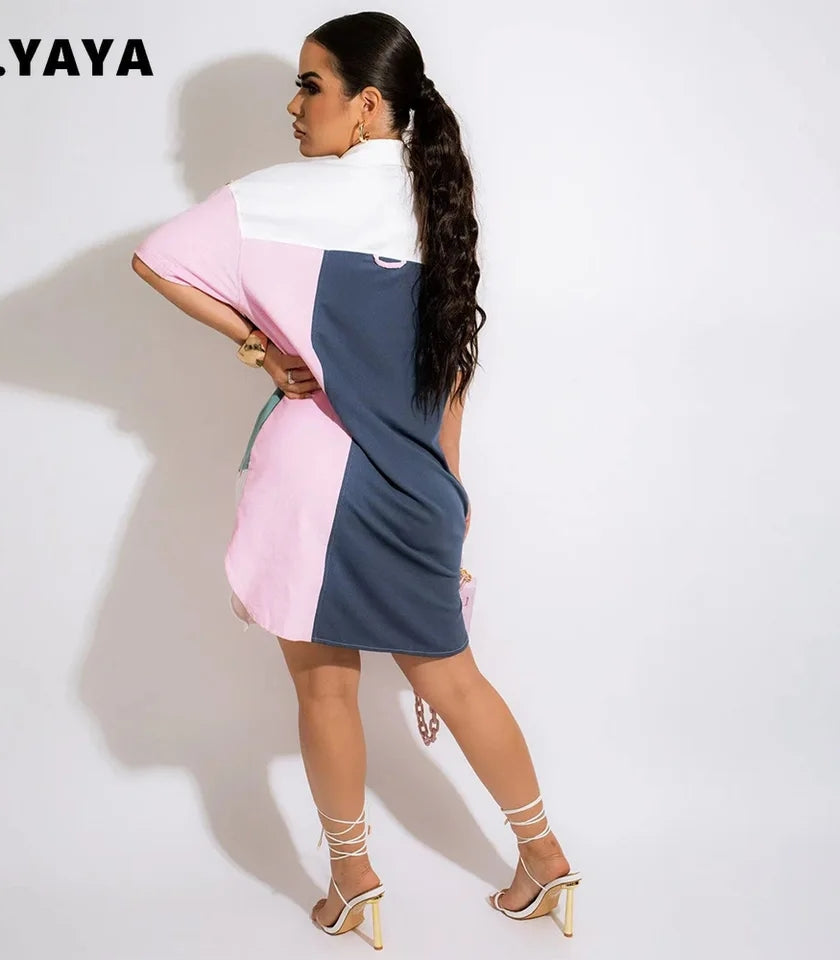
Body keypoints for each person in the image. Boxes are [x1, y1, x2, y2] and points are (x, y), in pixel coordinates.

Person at [132, 11, 580, 949]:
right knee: (457, 683)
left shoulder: (281, 196)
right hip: (416, 484)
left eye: (311, 85)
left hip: (313, 480)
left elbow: (156, 257)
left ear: (367, 103)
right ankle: (545, 860)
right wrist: (448, 491)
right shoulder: (440, 206)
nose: (294, 107)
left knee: (325, 691)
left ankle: (354, 882)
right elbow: (452, 376)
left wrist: (260, 349)